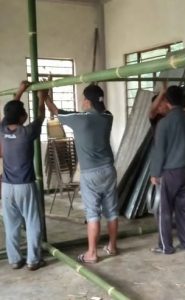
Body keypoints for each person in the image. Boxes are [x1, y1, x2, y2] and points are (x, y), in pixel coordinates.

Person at [41, 83, 118, 263]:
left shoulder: (80, 119)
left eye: (84, 99)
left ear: (87, 101)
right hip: (109, 170)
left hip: (90, 173)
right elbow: (100, 110)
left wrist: (45, 96)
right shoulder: (108, 117)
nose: (82, 102)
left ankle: (92, 253)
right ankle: (112, 247)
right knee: (112, 212)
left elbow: (54, 110)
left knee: (93, 214)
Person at [0, 81, 45, 270]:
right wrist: (42, 98)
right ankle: (33, 260)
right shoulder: (26, 132)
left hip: (7, 186)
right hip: (25, 185)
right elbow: (41, 117)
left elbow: (9, 113)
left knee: (11, 225)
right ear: (22, 117)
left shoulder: (1, 130)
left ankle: (15, 260)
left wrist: (19, 91)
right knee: (33, 221)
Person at [150, 85, 185, 254]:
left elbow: (160, 151)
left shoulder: (164, 123)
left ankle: (166, 246)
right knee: (184, 209)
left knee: (164, 210)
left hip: (170, 172)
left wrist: (155, 173)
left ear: (168, 102)